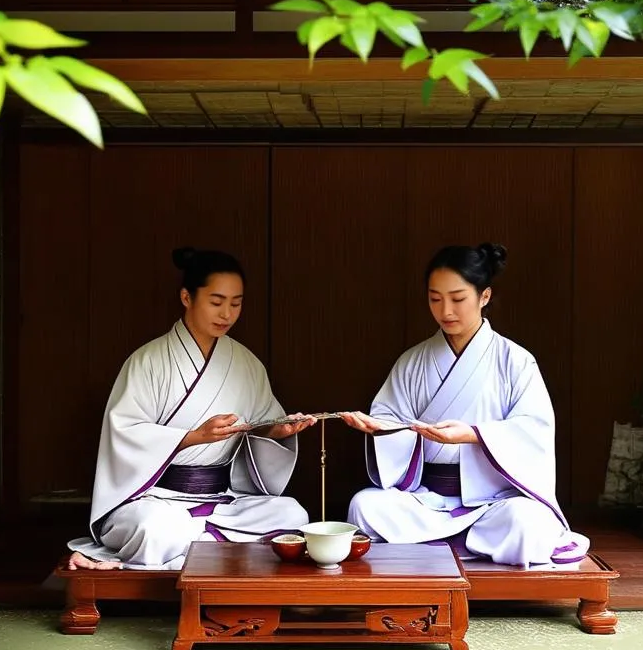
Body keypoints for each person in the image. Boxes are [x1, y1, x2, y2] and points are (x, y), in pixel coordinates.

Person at [342, 242, 589, 568]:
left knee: (527, 522)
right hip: (425, 501)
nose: (446, 311)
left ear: (484, 296)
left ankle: (436, 547)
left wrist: (473, 434)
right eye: (435, 299)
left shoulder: (515, 361)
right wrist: (382, 428)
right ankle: (466, 545)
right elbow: (389, 415)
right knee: (365, 506)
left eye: (458, 299)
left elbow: (535, 429)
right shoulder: (413, 361)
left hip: (494, 502)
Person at [67, 247, 313, 570]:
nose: (226, 314)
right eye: (216, 302)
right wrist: (193, 437)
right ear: (186, 298)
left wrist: (275, 430)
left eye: (236, 304)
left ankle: (191, 556)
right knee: (155, 530)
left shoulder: (247, 365)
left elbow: (260, 423)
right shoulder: (147, 363)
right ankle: (216, 556)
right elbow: (124, 433)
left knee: (293, 514)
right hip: (154, 499)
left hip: (220, 501)